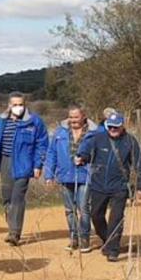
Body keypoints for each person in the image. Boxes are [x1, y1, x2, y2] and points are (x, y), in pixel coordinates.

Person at [76, 112, 141, 262]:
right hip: (98, 185)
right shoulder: (98, 138)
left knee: (116, 218)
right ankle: (108, 240)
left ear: (122, 126)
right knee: (96, 215)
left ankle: (113, 250)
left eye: (116, 126)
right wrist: (81, 158)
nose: (113, 129)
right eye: (110, 126)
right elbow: (87, 153)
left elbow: (139, 164)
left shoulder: (130, 141)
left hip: (119, 186)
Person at [0, 92, 48, 246]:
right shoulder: (0, 121)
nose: (18, 107)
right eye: (15, 104)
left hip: (24, 162)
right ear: (9, 105)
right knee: (7, 197)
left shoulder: (34, 122)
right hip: (5, 161)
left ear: (25, 105)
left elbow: (41, 144)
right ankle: (11, 227)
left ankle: (15, 233)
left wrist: (38, 165)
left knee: (18, 197)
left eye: (21, 104)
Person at [44, 106, 97, 252]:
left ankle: (84, 238)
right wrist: (49, 175)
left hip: (85, 175)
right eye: (71, 117)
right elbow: (52, 153)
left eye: (76, 117)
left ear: (83, 117)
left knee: (84, 208)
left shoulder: (94, 133)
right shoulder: (60, 132)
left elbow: (99, 153)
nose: (73, 120)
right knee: (69, 209)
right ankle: (74, 237)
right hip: (65, 175)